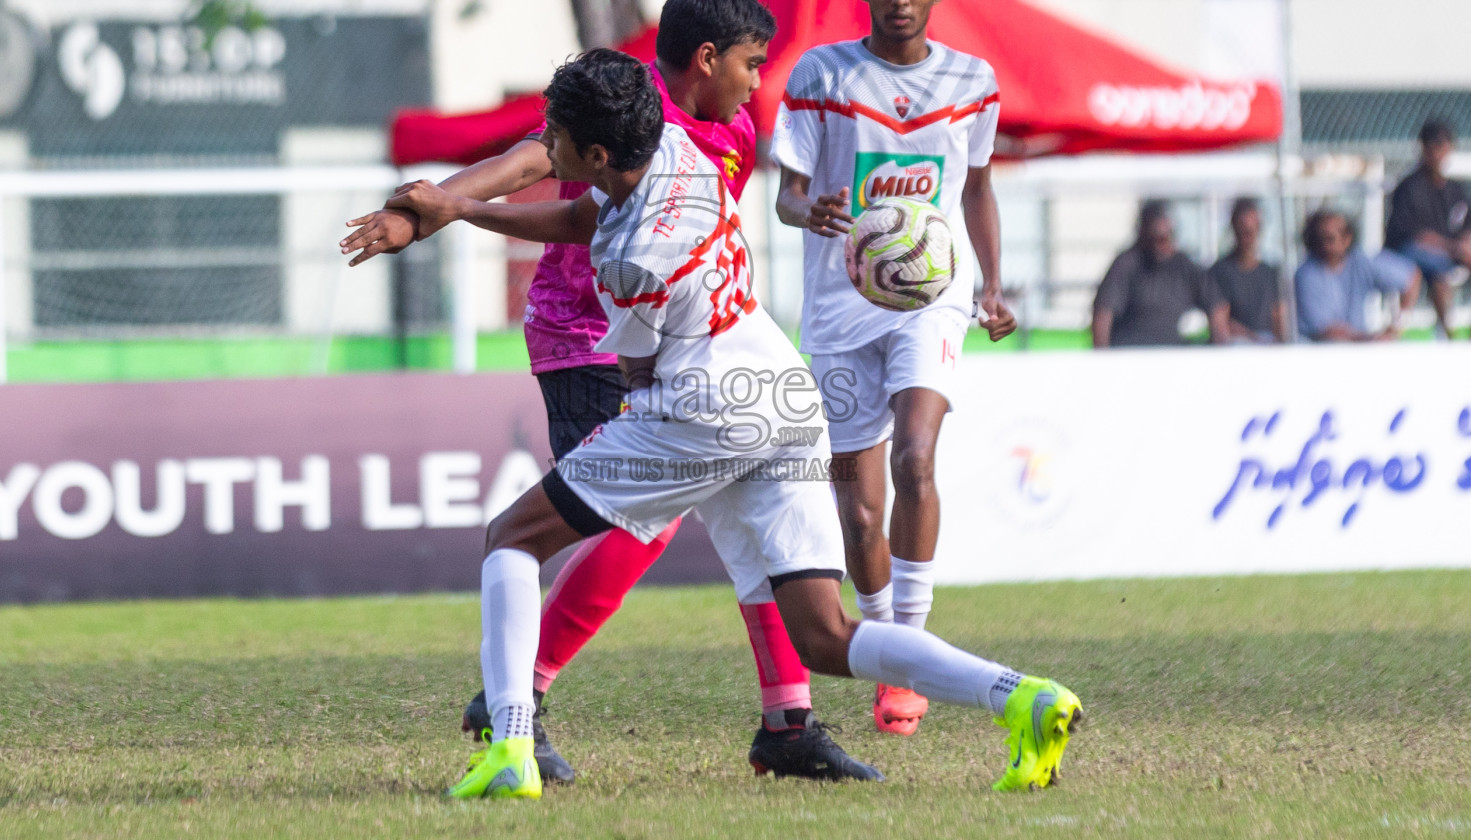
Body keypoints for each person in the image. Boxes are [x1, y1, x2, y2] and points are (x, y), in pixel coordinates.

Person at [429, 49, 1082, 800]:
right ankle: (1021, 696)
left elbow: (635, 364)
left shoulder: (625, 261)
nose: (549, 142)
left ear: (598, 154)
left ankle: (510, 743)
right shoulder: (680, 147)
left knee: (513, 535)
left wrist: (645, 452)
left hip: (702, 411)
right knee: (824, 635)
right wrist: (463, 208)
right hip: (781, 392)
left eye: (558, 135)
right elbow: (585, 210)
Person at [340, 0, 880, 783]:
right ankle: (516, 694)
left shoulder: (731, 125)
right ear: (708, 59)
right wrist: (431, 210)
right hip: (586, 339)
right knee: (643, 524)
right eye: (750, 63)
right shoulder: (629, 107)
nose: (758, 79)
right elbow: (528, 161)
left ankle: (788, 720)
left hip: (691, 351)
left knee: (756, 523)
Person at [771, 0, 1017, 737]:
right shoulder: (821, 75)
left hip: (930, 299)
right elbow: (786, 196)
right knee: (859, 512)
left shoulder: (971, 80)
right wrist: (814, 210)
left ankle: (908, 648)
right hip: (840, 311)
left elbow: (975, 186)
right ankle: (882, 646)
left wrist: (990, 284)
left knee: (916, 456)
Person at [1092, 201, 1231, 348]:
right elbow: (1103, 313)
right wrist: (1103, 361)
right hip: (1132, 356)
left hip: (1175, 357)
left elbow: (1217, 306)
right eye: (1155, 238)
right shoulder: (1126, 265)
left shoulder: (1184, 267)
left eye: (1165, 238)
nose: (1160, 245)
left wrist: (1217, 349)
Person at [1385, 119, 1470, 339]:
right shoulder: (1409, 187)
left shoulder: (1454, 188)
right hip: (1410, 250)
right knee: (1439, 271)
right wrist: (1452, 247)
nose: (1438, 152)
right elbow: (1413, 234)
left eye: (1442, 145)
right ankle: (1448, 334)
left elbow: (1465, 224)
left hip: (1449, 250)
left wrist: (1463, 244)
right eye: (1433, 145)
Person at [1295, 209, 1421, 342]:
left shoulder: (1360, 262)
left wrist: (1397, 326)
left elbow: (1412, 276)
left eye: (1330, 239)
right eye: (1318, 239)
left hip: (1359, 351)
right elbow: (1326, 331)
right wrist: (1373, 339)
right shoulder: (1305, 275)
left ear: (1347, 239)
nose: (1324, 245)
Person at [1208, 198, 1285, 343]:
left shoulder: (1272, 274)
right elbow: (1220, 326)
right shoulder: (1218, 272)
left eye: (1252, 229)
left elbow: (1281, 323)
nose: (1248, 235)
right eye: (1243, 229)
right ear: (1234, 228)